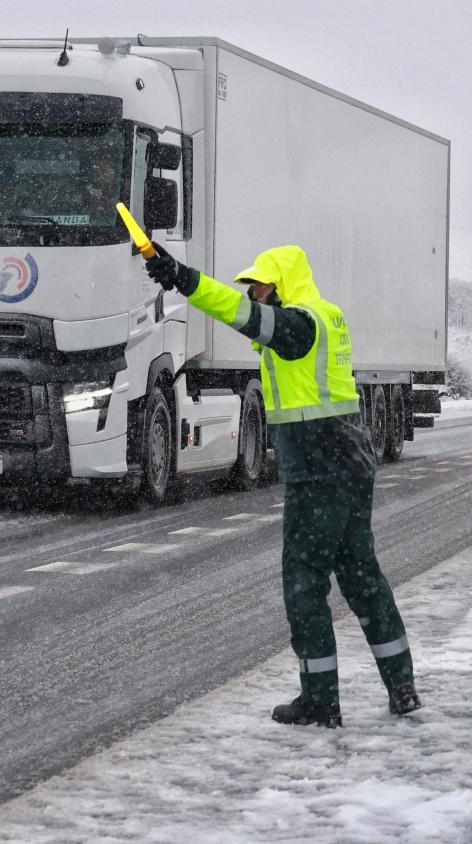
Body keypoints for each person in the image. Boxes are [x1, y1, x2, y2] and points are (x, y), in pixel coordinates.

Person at [140, 240, 420, 729]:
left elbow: (236, 312)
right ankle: (403, 689)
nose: (255, 294)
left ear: (283, 283)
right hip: (348, 461)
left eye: (262, 285)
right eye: (253, 286)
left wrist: (183, 277)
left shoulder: (300, 326)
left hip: (319, 467)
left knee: (304, 583)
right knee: (362, 578)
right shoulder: (325, 316)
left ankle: (320, 699)